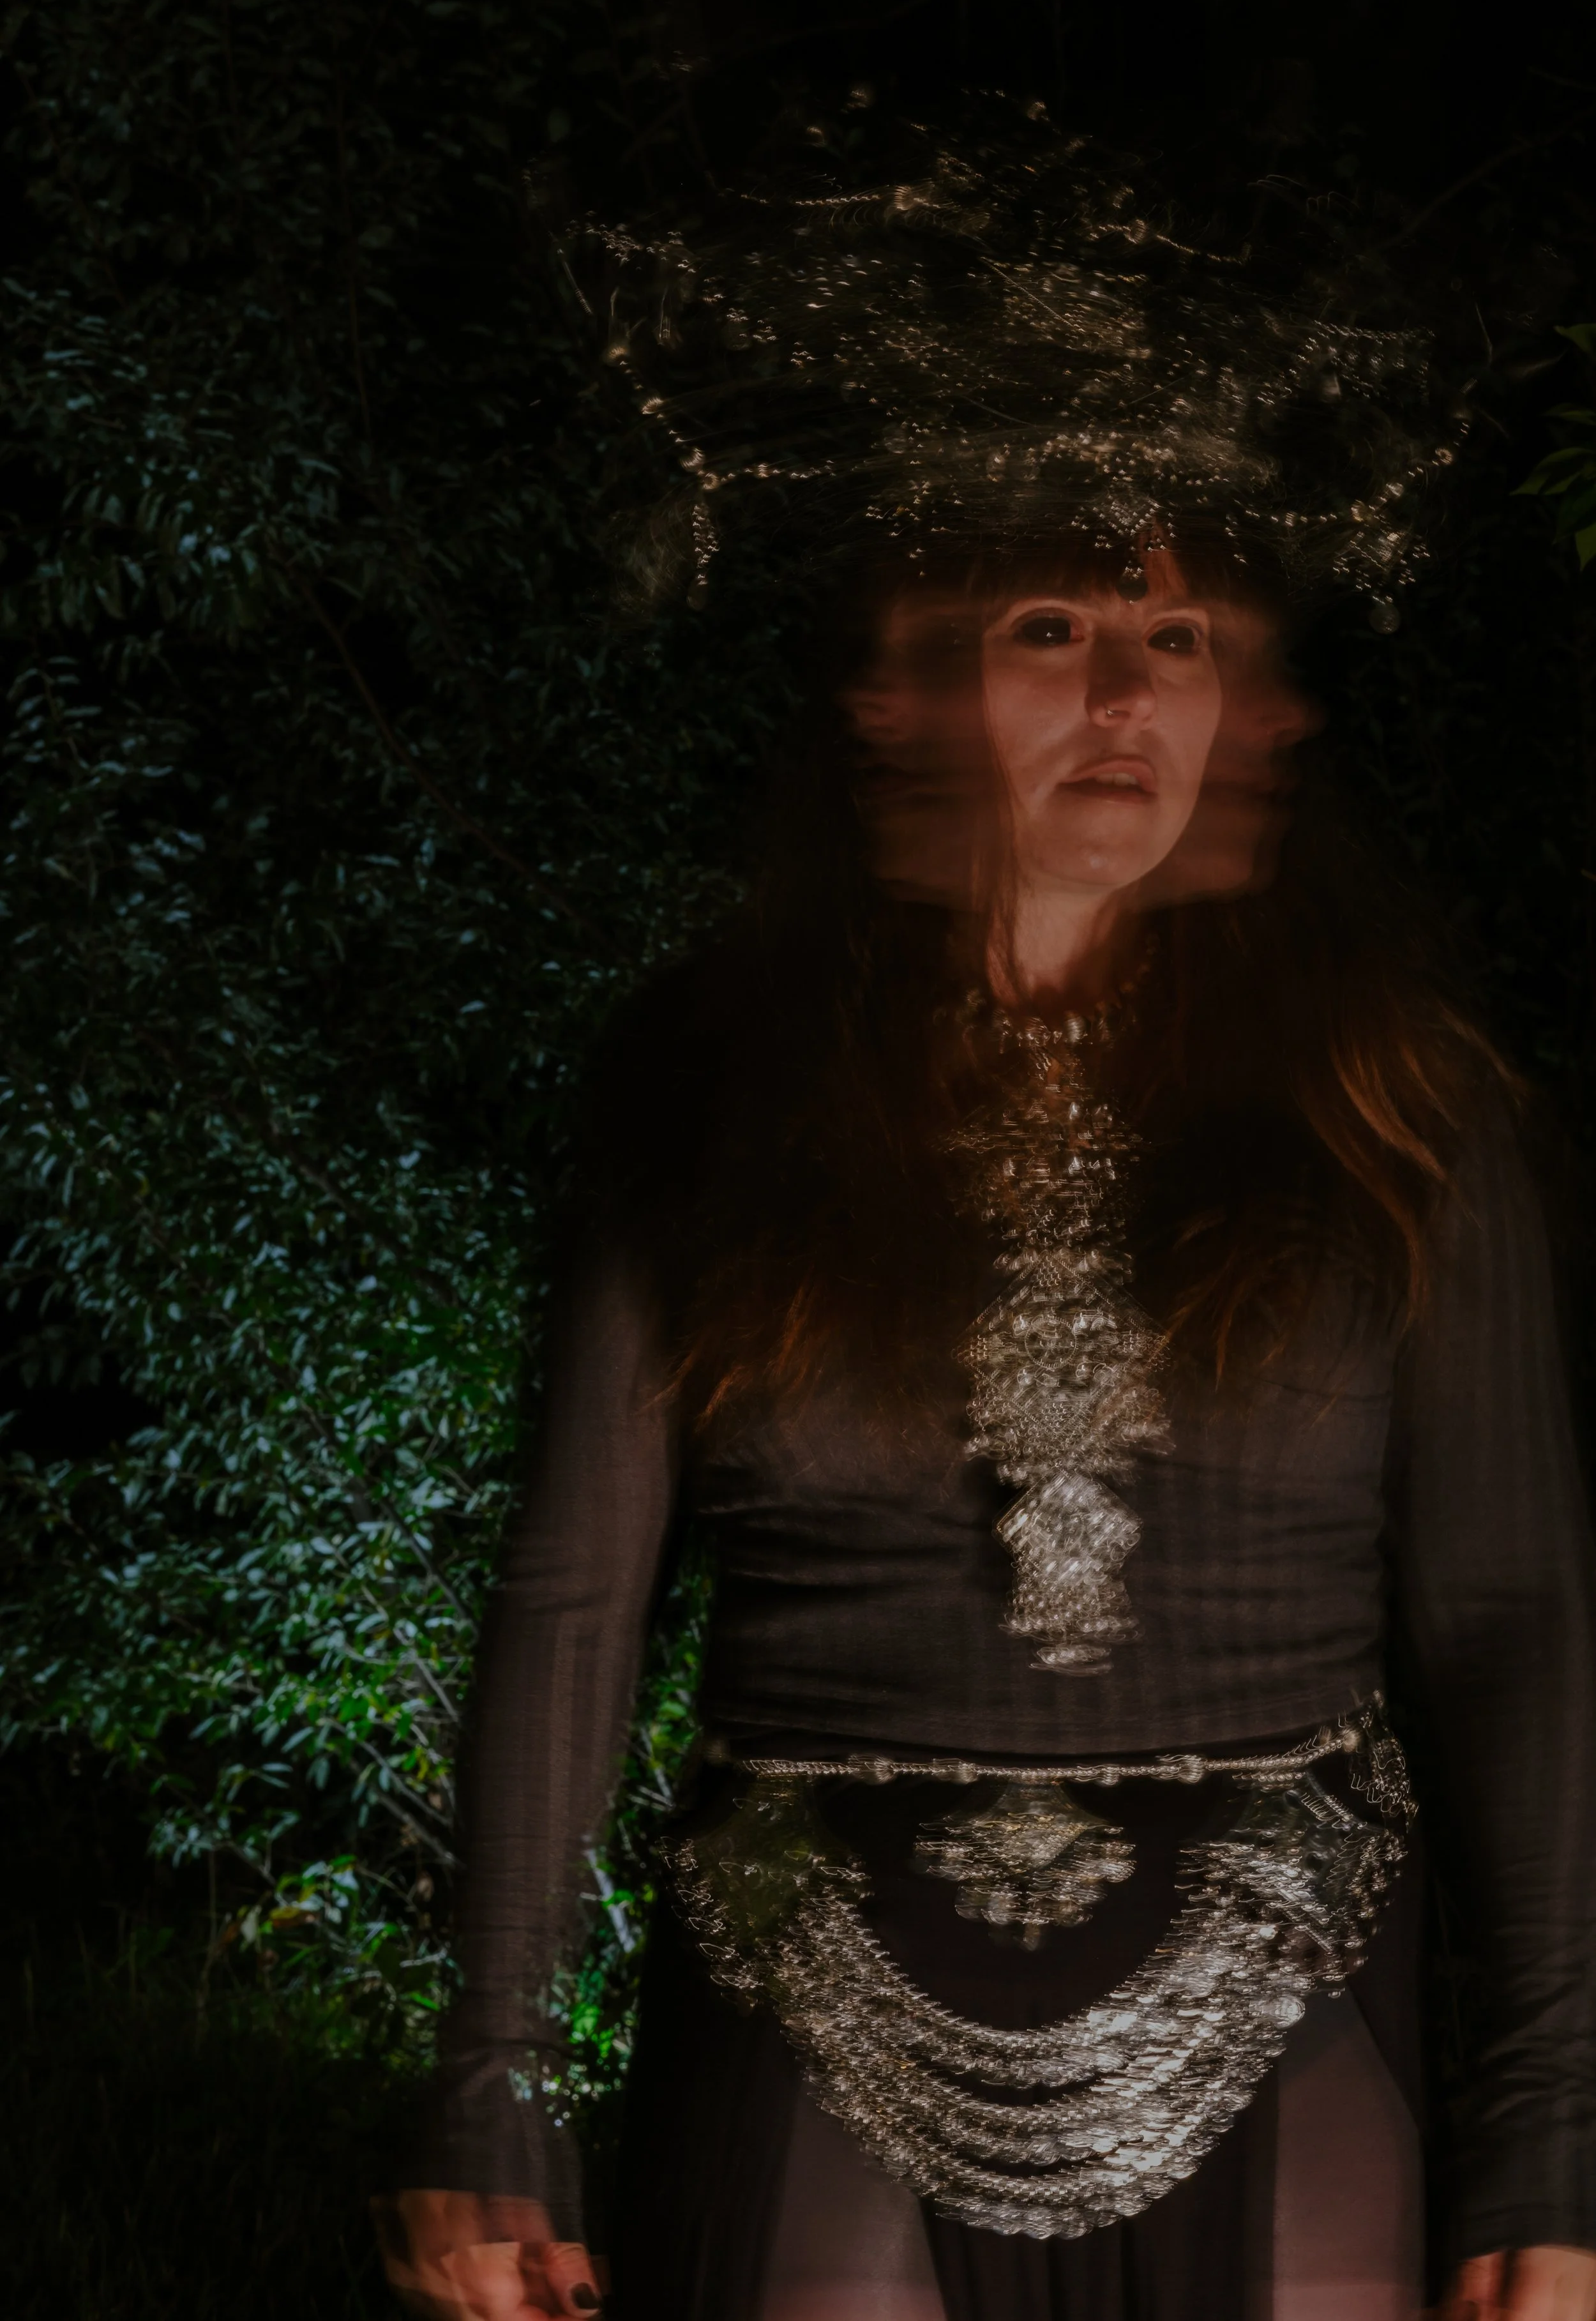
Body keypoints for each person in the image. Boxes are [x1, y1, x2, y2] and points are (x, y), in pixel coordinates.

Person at [380, 140, 1596, 2321]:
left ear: (1245, 709)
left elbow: (1507, 1619)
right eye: (1051, 627)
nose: (1124, 694)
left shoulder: (1395, 1106)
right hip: (806, 1978)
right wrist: (492, 2076)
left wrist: (1547, 2136)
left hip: (1285, 1980)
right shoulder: (709, 1084)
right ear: (896, 692)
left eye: (1176, 634)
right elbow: (576, 1592)